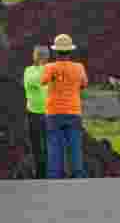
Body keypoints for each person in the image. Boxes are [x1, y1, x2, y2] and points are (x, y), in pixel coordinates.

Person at [41, 33, 89, 179]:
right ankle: (77, 174)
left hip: (53, 112)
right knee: (75, 145)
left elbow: (43, 81)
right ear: (70, 51)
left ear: (55, 51)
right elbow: (84, 84)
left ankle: (55, 176)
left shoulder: (50, 67)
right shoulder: (79, 67)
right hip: (73, 111)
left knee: (54, 145)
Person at [23, 45, 50, 179]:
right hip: (36, 113)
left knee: (42, 145)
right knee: (37, 145)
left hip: (43, 113)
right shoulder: (30, 71)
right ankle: (41, 173)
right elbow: (33, 82)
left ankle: (44, 173)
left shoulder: (31, 70)